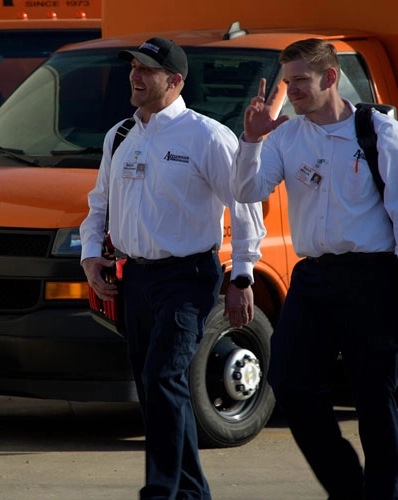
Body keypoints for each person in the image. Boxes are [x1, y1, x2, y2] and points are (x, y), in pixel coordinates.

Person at [230, 38, 398, 500]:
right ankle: (348, 487)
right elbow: (246, 191)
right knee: (289, 381)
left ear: (329, 78)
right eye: (288, 81)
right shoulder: (286, 136)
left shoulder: (380, 132)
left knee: (371, 396)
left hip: (372, 277)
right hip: (313, 278)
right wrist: (251, 139)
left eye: (300, 80)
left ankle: (385, 496)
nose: (292, 91)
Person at [80, 37, 265, 500]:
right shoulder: (120, 134)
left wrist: (241, 276)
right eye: (133, 68)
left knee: (163, 376)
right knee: (156, 385)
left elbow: (245, 208)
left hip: (188, 278)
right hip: (135, 278)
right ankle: (191, 492)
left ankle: (160, 492)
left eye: (146, 69)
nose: (135, 76)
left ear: (175, 81)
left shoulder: (207, 136)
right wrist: (89, 254)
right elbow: (98, 202)